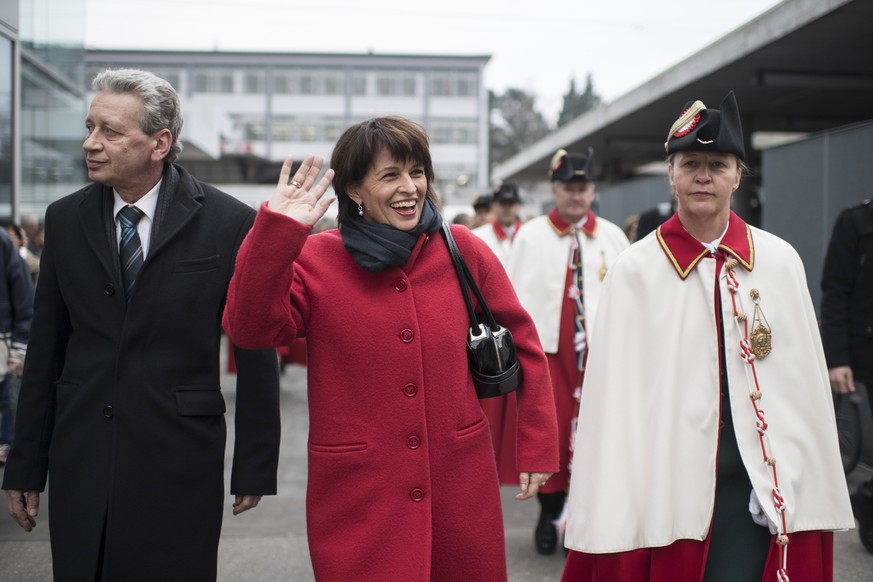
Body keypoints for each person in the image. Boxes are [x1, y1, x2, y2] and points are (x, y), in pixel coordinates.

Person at [222, 116, 559, 581]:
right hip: (359, 495)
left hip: (460, 486)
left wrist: (538, 445)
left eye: (416, 172)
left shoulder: (462, 248)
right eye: (390, 175)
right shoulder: (316, 258)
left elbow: (525, 344)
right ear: (356, 190)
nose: (409, 187)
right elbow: (250, 328)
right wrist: (276, 232)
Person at [2, 69, 281, 582]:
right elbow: (46, 348)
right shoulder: (64, 219)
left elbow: (255, 342)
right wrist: (25, 464)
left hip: (179, 454)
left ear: (160, 142)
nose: (91, 143)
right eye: (90, 128)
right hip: (82, 450)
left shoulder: (229, 222)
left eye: (110, 131)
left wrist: (255, 462)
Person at [562, 91, 854, 581]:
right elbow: (613, 401)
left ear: (738, 176)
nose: (703, 176)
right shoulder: (634, 269)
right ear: (670, 174)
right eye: (690, 163)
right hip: (666, 476)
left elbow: (803, 392)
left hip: (762, 477)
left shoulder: (780, 261)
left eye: (717, 164)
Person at [498, 147, 628, 555]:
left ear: (593, 191)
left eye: (583, 188)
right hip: (549, 357)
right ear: (555, 190)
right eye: (568, 188)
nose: (576, 196)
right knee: (549, 436)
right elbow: (512, 294)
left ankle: (580, 518)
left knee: (593, 436)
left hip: (597, 358)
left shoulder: (613, 236)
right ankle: (549, 511)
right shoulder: (530, 235)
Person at [820, 197, 873, 555]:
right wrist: (836, 359)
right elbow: (835, 290)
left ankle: (866, 500)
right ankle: (868, 505)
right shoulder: (856, 221)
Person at [0, 227, 34, 465]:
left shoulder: (2, 241)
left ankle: (7, 443)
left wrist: (19, 347)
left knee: (7, 398)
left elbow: (24, 297)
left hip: (3, 338)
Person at [472, 181, 523, 267]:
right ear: (493, 206)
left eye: (511, 203)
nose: (507, 208)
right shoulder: (477, 237)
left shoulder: (528, 235)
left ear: (518, 205)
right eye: (502, 203)